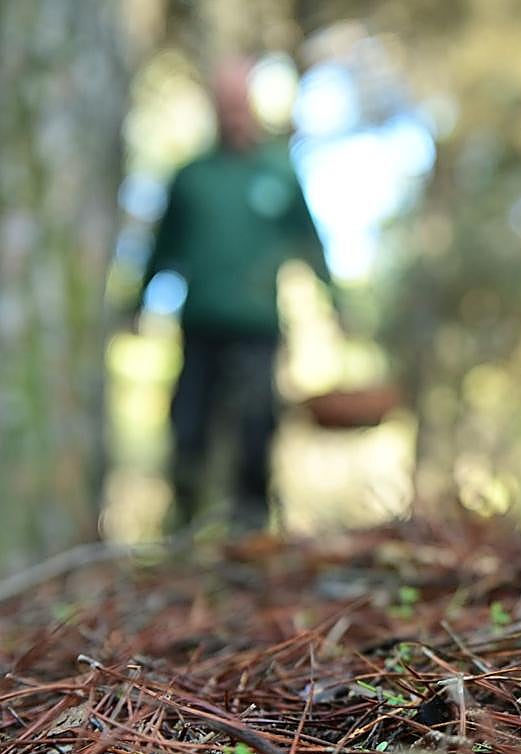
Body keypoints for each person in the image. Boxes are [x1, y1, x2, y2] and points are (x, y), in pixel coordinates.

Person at [138, 57, 338, 530]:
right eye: (224, 103)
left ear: (251, 105)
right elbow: (162, 248)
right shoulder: (192, 177)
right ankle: (183, 524)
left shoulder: (278, 172)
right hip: (200, 324)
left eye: (239, 102)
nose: (233, 113)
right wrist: (137, 302)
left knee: (256, 426)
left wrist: (336, 303)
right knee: (189, 426)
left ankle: (252, 529)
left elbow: (309, 241)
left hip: (256, 326)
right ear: (214, 108)